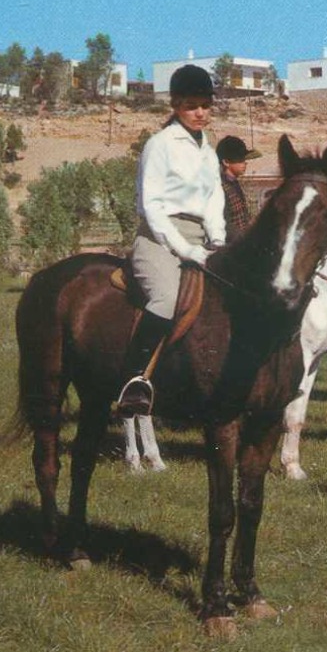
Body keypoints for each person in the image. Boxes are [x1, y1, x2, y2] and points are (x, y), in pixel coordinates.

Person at [115, 64, 228, 417]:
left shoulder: (209, 153)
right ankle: (133, 380)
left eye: (206, 106)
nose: (200, 113)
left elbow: (214, 200)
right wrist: (187, 249)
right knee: (165, 298)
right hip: (159, 239)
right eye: (192, 105)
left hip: (201, 239)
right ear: (176, 105)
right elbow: (151, 206)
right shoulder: (159, 145)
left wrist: (219, 240)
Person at [215, 134, 261, 243]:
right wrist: (245, 239)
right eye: (239, 160)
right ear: (226, 162)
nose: (244, 163)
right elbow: (223, 222)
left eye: (243, 159)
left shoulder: (233, 183)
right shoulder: (219, 188)